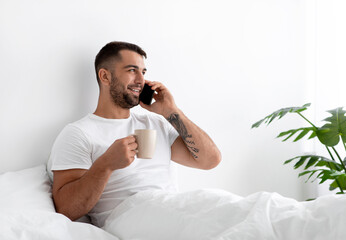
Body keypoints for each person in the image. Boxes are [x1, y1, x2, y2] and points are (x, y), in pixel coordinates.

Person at [47, 41, 221, 227]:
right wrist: (105, 165)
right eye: (132, 70)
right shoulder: (79, 133)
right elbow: (66, 209)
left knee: (224, 207)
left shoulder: (156, 123)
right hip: (131, 219)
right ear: (105, 76)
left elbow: (210, 160)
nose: (141, 80)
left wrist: (172, 112)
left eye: (143, 72)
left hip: (174, 210)